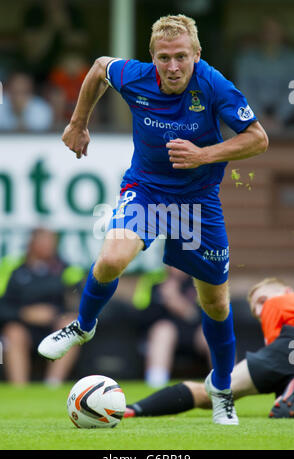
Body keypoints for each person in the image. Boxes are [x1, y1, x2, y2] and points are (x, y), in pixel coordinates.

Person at [38, 14, 268, 425]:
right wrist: (78, 123)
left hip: (198, 203)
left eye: (182, 56)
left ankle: (221, 388)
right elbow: (98, 68)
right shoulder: (135, 77)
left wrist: (203, 155)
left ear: (197, 55)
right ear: (152, 58)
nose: (173, 66)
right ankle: (83, 325)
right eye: (164, 58)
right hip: (145, 191)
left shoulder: (213, 84)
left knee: (214, 302)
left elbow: (258, 139)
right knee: (110, 259)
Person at [123, 278, 294, 419]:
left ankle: (134, 409)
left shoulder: (279, 303)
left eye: (262, 301)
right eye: (254, 308)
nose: (258, 311)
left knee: (216, 392)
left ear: (287, 291)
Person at [0, 228, 84, 385]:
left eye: (51, 242)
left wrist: (57, 314)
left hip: (54, 326)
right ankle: (19, 388)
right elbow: (3, 304)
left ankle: (52, 384)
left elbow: (79, 303)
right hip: (22, 324)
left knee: (71, 326)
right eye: (43, 241)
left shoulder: (67, 269)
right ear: (31, 243)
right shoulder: (11, 267)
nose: (48, 246)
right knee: (13, 332)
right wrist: (24, 314)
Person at [133, 266, 210, 388]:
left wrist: (178, 303)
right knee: (164, 330)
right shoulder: (153, 281)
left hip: (193, 333)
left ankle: (227, 379)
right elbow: (142, 316)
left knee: (211, 332)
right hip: (163, 335)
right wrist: (164, 300)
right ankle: (156, 381)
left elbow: (206, 315)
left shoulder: (200, 282)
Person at [234, 17, 294, 134]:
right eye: (266, 31)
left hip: (287, 118)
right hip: (251, 117)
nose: (270, 35)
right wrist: (258, 117)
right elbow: (243, 89)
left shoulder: (292, 60)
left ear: (282, 33)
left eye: (274, 31)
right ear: (259, 34)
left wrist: (279, 118)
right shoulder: (246, 59)